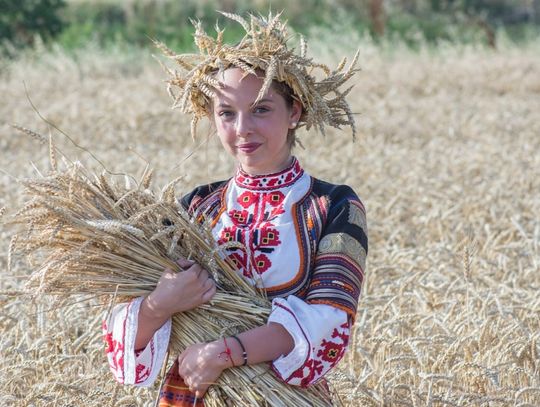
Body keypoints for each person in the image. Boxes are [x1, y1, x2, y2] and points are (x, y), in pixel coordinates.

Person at [102, 11, 367, 406]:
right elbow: (126, 337)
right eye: (226, 112)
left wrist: (222, 354)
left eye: (261, 109)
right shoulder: (192, 209)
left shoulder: (333, 206)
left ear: (294, 112)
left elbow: (329, 320)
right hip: (191, 395)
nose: (242, 128)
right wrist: (161, 304)